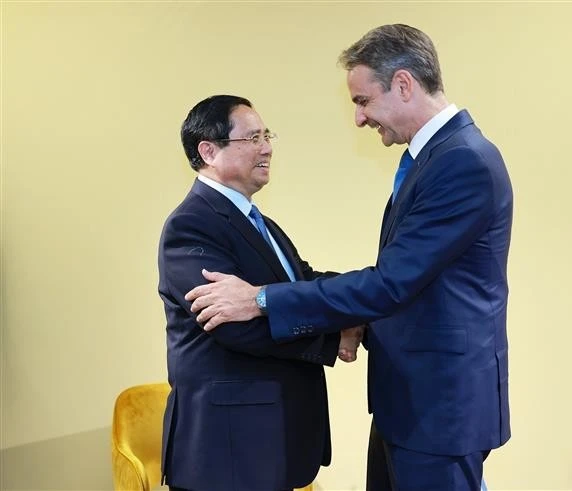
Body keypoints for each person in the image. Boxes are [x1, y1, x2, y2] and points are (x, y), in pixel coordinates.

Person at [185, 24, 513, 491]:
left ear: (403, 84)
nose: (359, 119)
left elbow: (391, 283)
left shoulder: (462, 161)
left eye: (362, 101)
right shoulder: (436, 159)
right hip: (414, 400)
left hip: (440, 407)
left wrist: (260, 299)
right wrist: (346, 322)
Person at [157, 94, 362, 491]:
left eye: (267, 136)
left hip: (267, 444)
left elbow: (303, 283)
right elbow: (233, 327)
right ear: (208, 151)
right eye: (252, 138)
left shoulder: (258, 221)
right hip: (228, 451)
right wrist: (333, 337)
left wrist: (373, 292)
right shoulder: (191, 226)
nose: (267, 148)